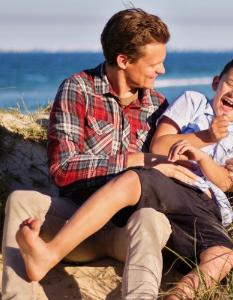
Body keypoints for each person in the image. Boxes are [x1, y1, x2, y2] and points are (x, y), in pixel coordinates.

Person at [15, 57, 233, 299]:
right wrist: (205, 137)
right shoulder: (193, 102)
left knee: (222, 257)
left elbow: (229, 182)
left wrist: (201, 157)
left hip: (205, 203)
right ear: (216, 83)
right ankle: (50, 253)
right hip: (170, 183)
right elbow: (159, 146)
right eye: (231, 84)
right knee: (131, 181)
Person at [2, 8, 175, 300]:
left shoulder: (158, 105)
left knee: (152, 220)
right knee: (21, 201)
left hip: (127, 231)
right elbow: (63, 168)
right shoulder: (77, 89)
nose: (161, 70)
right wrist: (134, 160)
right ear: (123, 60)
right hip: (73, 225)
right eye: (154, 64)